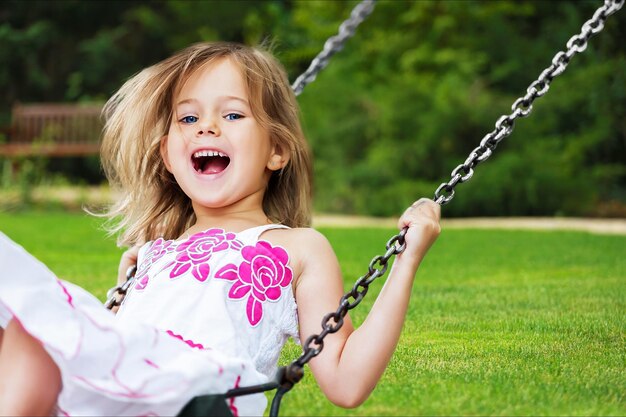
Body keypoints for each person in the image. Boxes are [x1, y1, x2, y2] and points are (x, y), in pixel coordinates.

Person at [0, 42, 441, 416]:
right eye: (188, 119)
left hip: (207, 396)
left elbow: (345, 382)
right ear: (168, 157)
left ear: (278, 151)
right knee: (27, 324)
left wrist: (407, 259)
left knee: (38, 313)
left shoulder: (297, 247)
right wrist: (123, 294)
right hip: (127, 395)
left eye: (232, 115)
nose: (207, 126)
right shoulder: (154, 252)